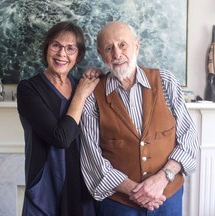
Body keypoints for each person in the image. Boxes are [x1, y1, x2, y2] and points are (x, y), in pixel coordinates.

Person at [80, 21, 199, 216]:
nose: (117, 54)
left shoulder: (166, 82)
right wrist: (136, 191)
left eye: (122, 44)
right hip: (118, 204)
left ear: (137, 45)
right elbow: (92, 158)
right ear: (101, 54)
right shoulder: (93, 95)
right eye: (109, 48)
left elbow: (189, 139)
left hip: (167, 199)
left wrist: (162, 178)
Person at [17, 21, 100, 216]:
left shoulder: (80, 82)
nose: (62, 54)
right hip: (46, 185)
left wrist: (97, 75)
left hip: (81, 183)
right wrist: (80, 95)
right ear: (47, 48)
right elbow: (61, 138)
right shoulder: (29, 89)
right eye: (56, 45)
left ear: (78, 55)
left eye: (70, 48)